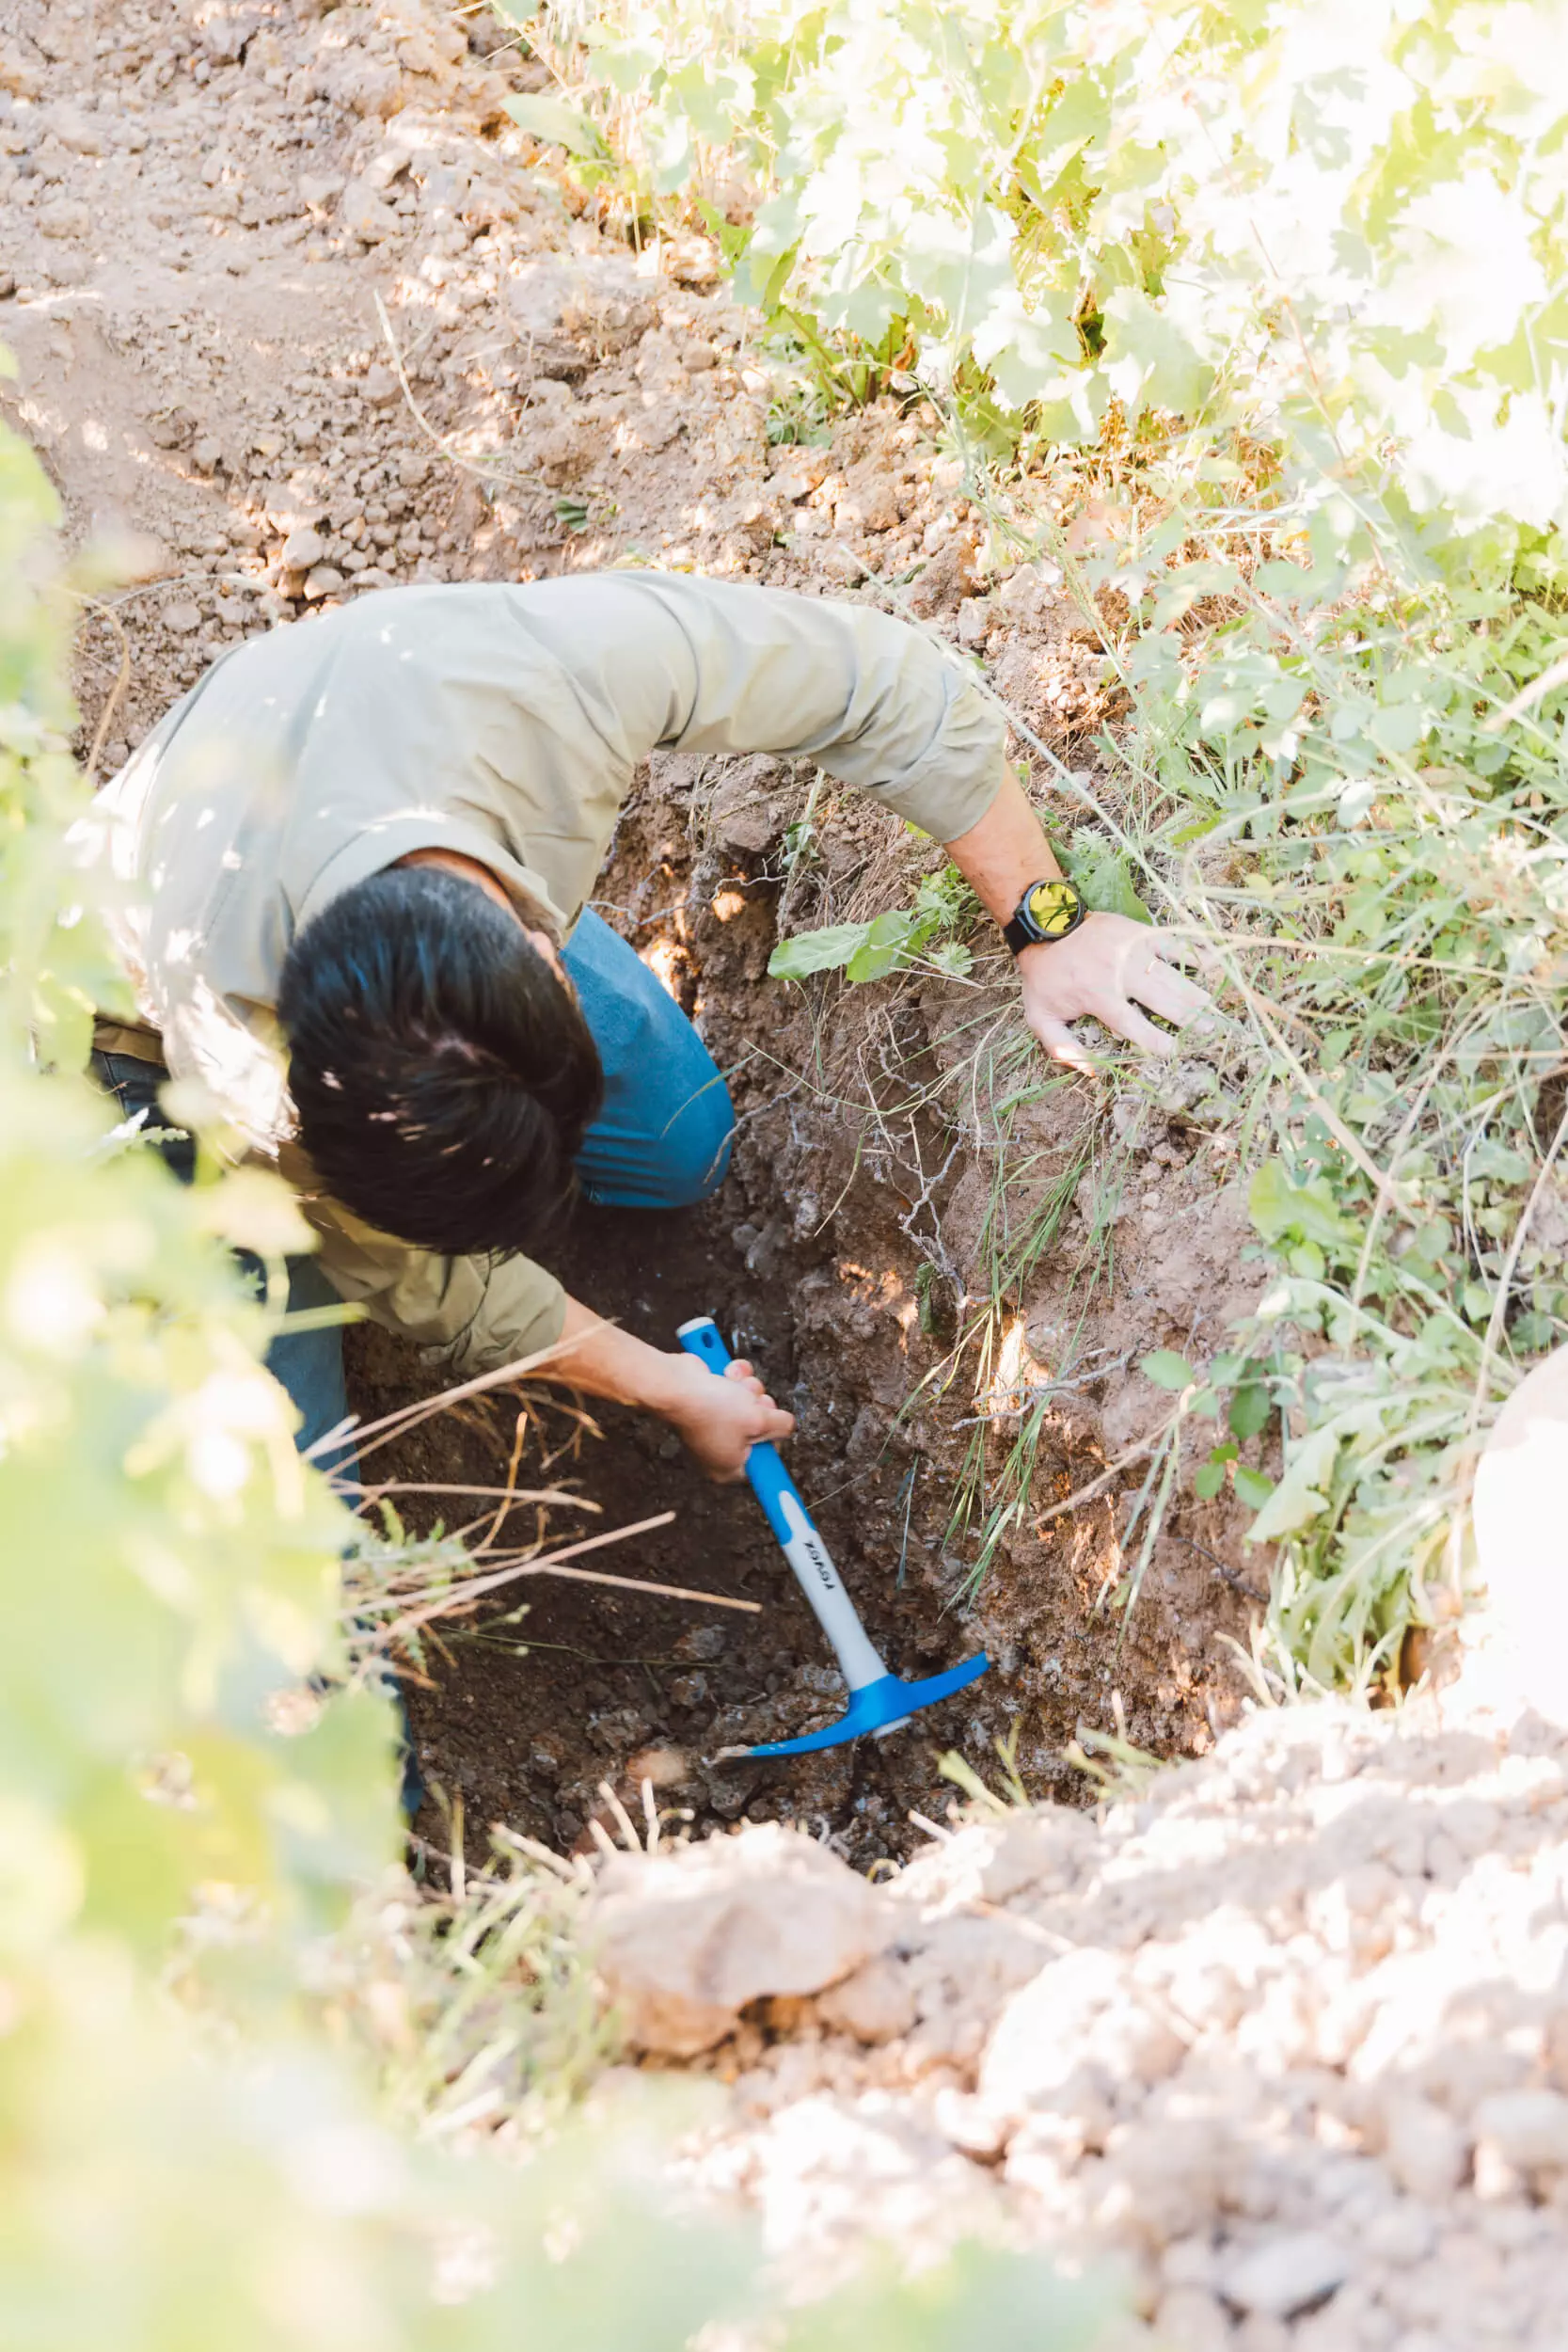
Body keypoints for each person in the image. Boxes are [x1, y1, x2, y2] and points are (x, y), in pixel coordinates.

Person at [82, 573, 1209, 1487]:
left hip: (406, 810)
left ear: (536, 954)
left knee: (677, 1141)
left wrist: (1042, 922)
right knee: (289, 1506)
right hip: (124, 1041)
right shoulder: (238, 1054)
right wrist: (666, 1384)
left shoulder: (550, 678)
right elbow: (430, 1283)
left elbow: (884, 683)